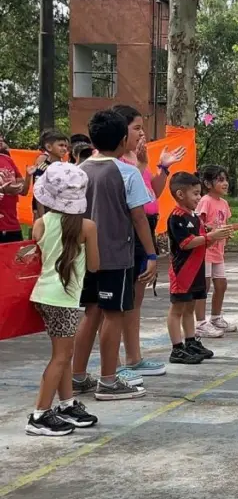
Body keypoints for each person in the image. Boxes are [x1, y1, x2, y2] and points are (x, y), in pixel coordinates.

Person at [71, 109, 157, 401]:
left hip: (85, 256)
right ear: (122, 139)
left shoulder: (79, 171)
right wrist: (151, 254)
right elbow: (139, 217)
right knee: (114, 314)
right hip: (116, 255)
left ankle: (78, 376)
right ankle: (108, 381)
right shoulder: (126, 173)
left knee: (91, 313)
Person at [24, 161, 100, 435]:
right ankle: (39, 414)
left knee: (63, 355)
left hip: (44, 294)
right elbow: (94, 266)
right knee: (61, 357)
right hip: (64, 299)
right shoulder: (87, 227)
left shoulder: (40, 223)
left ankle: (66, 404)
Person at [112, 105, 186, 381]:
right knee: (117, 303)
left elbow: (151, 194)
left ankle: (133, 357)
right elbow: (132, 203)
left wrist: (163, 168)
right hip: (128, 230)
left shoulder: (137, 156)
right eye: (137, 128)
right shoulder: (113, 161)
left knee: (135, 299)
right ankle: (115, 363)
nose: (143, 133)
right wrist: (144, 165)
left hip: (146, 228)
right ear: (120, 130)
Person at [166, 172, 230, 364]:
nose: (198, 198)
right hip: (183, 271)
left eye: (199, 193)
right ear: (180, 194)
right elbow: (186, 243)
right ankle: (177, 348)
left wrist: (216, 237)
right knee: (177, 308)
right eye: (195, 194)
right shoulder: (176, 217)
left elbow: (202, 242)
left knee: (190, 307)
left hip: (197, 270)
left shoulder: (195, 218)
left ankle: (191, 341)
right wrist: (211, 237)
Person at [194, 165, 238, 337]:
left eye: (226, 180)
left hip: (218, 252)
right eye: (220, 180)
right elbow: (198, 225)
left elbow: (225, 226)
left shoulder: (224, 203)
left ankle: (216, 318)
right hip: (205, 250)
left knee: (221, 285)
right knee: (204, 286)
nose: (225, 183)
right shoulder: (205, 201)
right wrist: (210, 232)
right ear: (208, 183)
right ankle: (200, 323)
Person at [28, 129, 70, 219]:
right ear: (49, 147)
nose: (64, 149)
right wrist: (43, 219)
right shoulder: (43, 169)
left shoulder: (67, 167)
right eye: (61, 145)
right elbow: (39, 196)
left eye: (66, 146)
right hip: (49, 213)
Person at [0, 137, 27, 243]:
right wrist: (3, 189)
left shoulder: (7, 159)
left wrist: (16, 186)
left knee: (14, 258)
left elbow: (21, 184)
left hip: (12, 223)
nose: (1, 139)